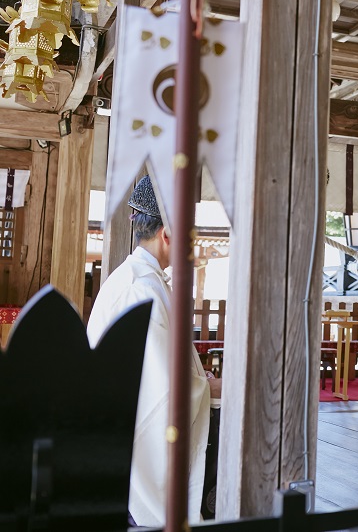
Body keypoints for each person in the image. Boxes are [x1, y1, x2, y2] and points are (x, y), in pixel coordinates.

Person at [86, 176, 221, 525]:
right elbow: (161, 393)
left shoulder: (139, 280)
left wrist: (199, 379)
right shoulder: (141, 291)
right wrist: (207, 387)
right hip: (130, 455)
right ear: (167, 234)